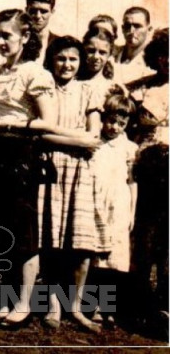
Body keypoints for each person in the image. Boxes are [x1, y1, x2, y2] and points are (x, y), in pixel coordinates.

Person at [0, 9, 55, 328]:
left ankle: (24, 303)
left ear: (25, 37)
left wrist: (9, 125)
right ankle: (6, 298)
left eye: (7, 35)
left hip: (23, 155)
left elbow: (48, 122)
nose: (0, 41)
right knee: (1, 228)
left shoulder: (35, 73)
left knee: (23, 230)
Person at [38, 36, 105, 332]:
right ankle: (52, 306)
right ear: (52, 60)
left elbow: (94, 136)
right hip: (50, 169)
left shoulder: (88, 91)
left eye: (73, 59)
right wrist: (76, 137)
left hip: (80, 171)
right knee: (52, 242)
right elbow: (42, 136)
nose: (67, 65)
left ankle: (76, 307)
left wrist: (64, 136)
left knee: (81, 244)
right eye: (61, 58)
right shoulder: (44, 89)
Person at [126, 27, 169, 330]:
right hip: (147, 167)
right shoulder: (141, 89)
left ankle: (166, 304)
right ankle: (138, 303)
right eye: (165, 54)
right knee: (145, 236)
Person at [90, 92, 138, 326]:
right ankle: (93, 306)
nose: (115, 127)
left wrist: (131, 211)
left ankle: (108, 307)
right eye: (111, 121)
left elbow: (131, 181)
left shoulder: (129, 147)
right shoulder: (94, 141)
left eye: (121, 123)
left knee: (114, 259)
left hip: (118, 203)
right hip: (97, 201)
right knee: (96, 257)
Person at [115, 7, 155, 84]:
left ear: (149, 29)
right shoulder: (111, 56)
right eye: (127, 26)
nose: (131, 31)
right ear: (122, 29)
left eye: (137, 26)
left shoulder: (154, 62)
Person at [25, 0, 61, 64]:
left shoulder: (60, 44)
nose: (38, 16)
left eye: (43, 11)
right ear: (26, 11)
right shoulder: (18, 41)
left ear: (52, 11)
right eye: (33, 11)